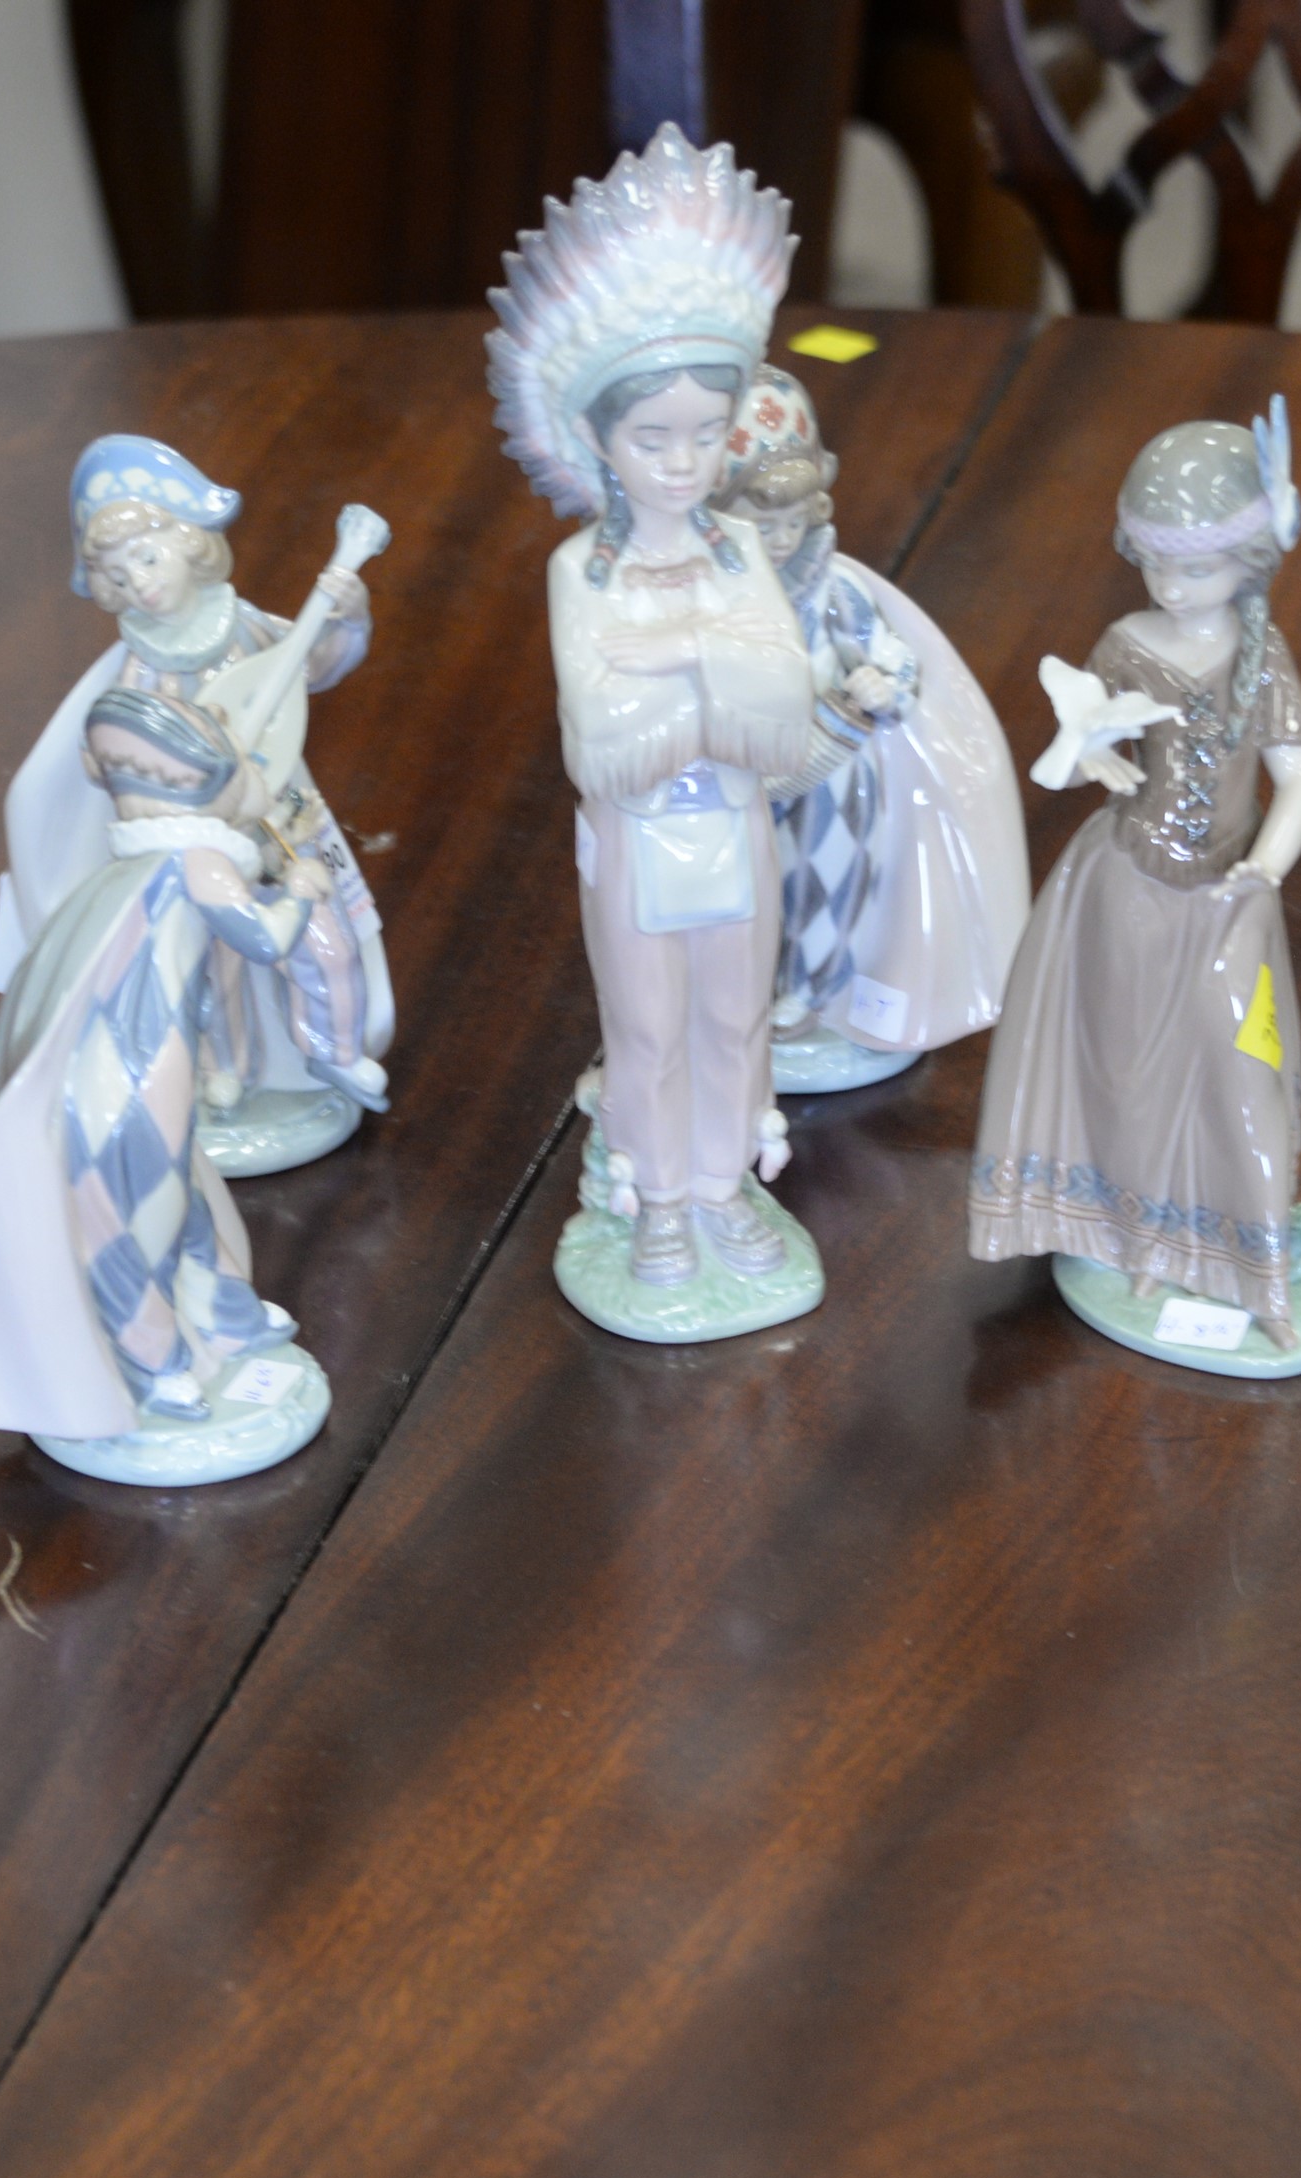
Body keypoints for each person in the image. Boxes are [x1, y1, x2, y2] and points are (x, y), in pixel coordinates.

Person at [489, 126, 825, 1326]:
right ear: (596, 439)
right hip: (640, 844)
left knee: (736, 1014)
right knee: (648, 1026)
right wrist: (715, 683)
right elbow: (602, 741)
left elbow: (784, 715)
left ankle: (725, 1187)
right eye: (652, 438)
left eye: (704, 434)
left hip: (735, 830)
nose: (682, 464)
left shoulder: (738, 553)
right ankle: (663, 1201)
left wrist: (679, 662)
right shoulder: (581, 573)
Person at [970, 404, 1301, 1372]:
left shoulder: (1260, 655)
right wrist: (1090, 753)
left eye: (1198, 567)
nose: (1173, 587)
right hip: (1129, 885)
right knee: (1127, 1071)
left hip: (1226, 903)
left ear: (1250, 560)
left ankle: (1253, 1259)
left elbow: (1298, 781)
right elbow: (1090, 747)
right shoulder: (1126, 641)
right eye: (1156, 563)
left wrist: (1264, 869)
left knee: (1241, 1072)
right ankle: (1143, 1239)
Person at [0, 689, 328, 1474]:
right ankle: (156, 1364)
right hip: (142, 1064)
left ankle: (223, 1317)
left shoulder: (127, 867)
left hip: (120, 1063)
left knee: (173, 1197)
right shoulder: (196, 860)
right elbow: (264, 936)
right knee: (140, 1213)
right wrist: (303, 890)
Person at [0, 434, 392, 1174]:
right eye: (119, 574)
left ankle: (328, 1052)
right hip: (193, 845)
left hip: (278, 821)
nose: (140, 584)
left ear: (190, 545)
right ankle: (223, 1073)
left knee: (319, 937)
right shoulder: (137, 667)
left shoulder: (244, 627)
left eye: (149, 559)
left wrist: (346, 617)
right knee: (210, 967)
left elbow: (311, 664)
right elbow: (113, 755)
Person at [710, 365, 1029, 1095]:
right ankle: (742, 995)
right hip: (744, 774)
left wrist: (884, 681)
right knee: (752, 889)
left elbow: (890, 654)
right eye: (763, 525)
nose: (782, 540)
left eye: (794, 523)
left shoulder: (835, 590)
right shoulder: (715, 598)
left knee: (828, 884)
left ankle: (808, 996)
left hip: (835, 777)